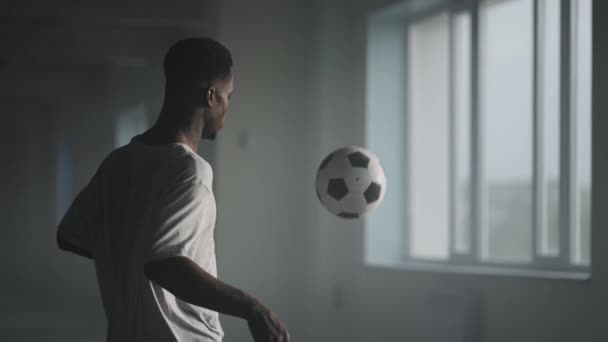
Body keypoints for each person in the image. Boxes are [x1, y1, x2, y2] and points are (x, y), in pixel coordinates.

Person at [56, 37, 290, 342]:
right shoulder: (190, 170)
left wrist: (126, 258)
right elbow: (165, 264)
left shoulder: (120, 161)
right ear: (210, 96)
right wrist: (253, 307)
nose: (228, 108)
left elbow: (70, 235)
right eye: (228, 96)